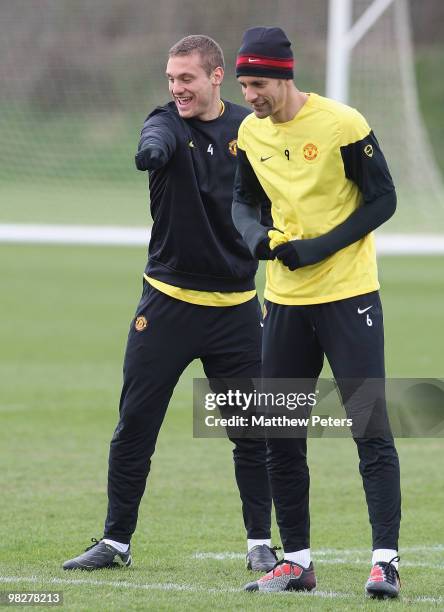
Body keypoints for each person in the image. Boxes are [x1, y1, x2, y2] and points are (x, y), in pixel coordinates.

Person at [62, 35, 277, 572]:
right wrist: (152, 153)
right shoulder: (164, 123)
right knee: (135, 424)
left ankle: (260, 543)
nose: (178, 89)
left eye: (187, 79)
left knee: (253, 433)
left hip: (236, 310)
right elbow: (152, 142)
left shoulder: (250, 131)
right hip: (166, 306)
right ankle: (115, 542)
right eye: (171, 79)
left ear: (217, 76)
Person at [232, 27, 401, 598]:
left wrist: (321, 247)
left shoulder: (342, 124)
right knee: (280, 433)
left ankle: (385, 561)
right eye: (244, 85)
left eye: (257, 83)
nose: (250, 95)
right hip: (283, 302)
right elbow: (243, 200)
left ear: (283, 74)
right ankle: (297, 561)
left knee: (369, 426)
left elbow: (384, 198)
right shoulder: (250, 133)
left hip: (349, 295)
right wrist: (257, 238)